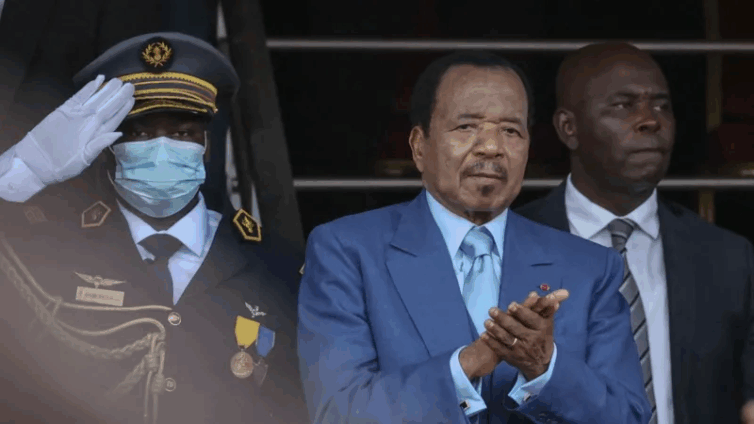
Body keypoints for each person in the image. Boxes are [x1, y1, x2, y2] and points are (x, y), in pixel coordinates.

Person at [297, 50, 651, 424]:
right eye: (466, 127)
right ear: (419, 146)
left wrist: (545, 368)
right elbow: (337, 412)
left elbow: (628, 417)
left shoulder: (589, 268)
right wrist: (467, 364)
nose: (491, 147)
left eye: (510, 130)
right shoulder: (347, 251)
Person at [0, 32, 308, 424]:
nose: (161, 149)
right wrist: (25, 171)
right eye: (140, 133)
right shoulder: (50, 247)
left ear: (207, 145)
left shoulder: (277, 266)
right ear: (107, 147)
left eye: (182, 133)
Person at [516, 42, 754, 424]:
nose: (650, 121)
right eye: (623, 105)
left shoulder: (728, 258)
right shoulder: (506, 246)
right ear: (568, 128)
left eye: (662, 106)